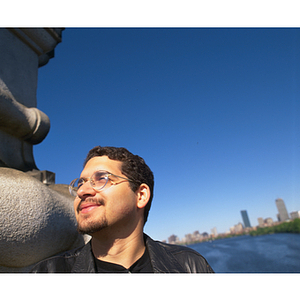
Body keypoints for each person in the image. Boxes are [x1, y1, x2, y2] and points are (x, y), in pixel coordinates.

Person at [31, 146, 214, 273]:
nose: (82, 191)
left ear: (140, 195)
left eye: (101, 178)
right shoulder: (46, 275)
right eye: (81, 183)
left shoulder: (190, 266)